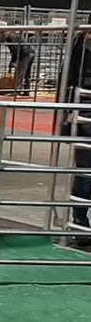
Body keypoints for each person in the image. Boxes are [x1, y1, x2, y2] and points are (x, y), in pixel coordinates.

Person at [65, 28, 91, 248]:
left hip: (83, 108)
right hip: (85, 110)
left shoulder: (81, 43)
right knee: (84, 172)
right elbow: (71, 77)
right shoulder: (82, 45)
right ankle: (80, 223)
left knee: (84, 172)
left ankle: (80, 223)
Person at [4, 31, 35, 96]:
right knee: (27, 72)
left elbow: (15, 49)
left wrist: (13, 61)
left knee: (20, 72)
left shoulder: (12, 38)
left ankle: (17, 90)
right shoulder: (14, 37)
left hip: (25, 53)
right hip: (30, 52)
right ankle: (26, 90)